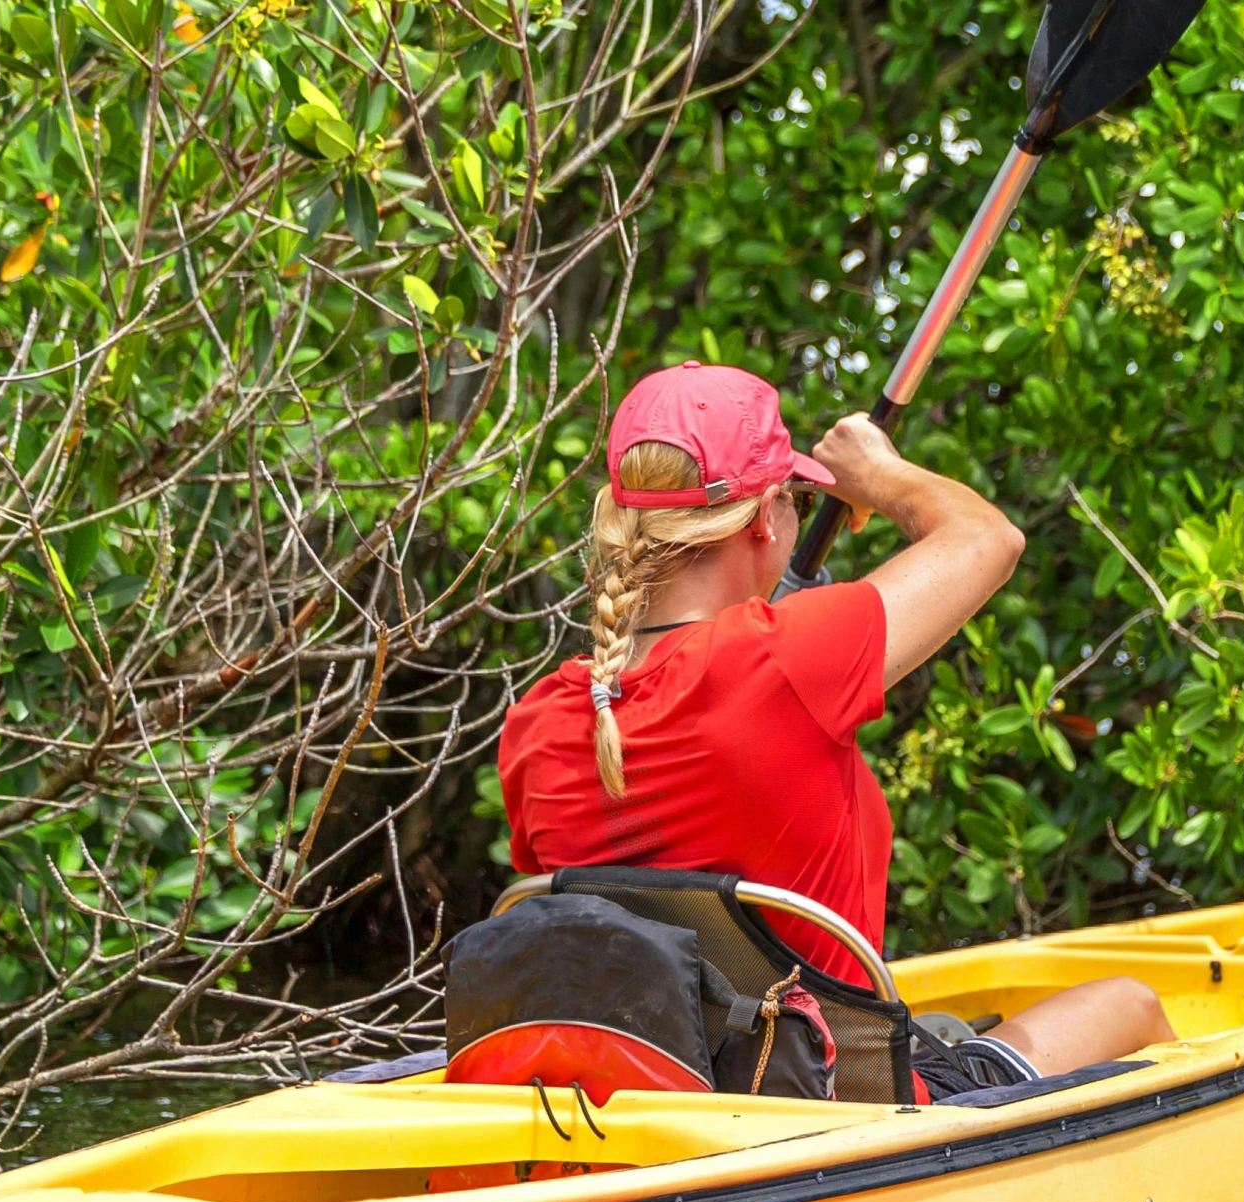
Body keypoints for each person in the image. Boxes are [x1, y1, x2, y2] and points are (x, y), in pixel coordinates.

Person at [496, 361, 1174, 1096]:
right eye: (792, 495)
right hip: (839, 1110)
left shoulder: (538, 722)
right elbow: (987, 538)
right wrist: (876, 475)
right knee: (1129, 1005)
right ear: (764, 517)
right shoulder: (780, 658)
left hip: (656, 1104)